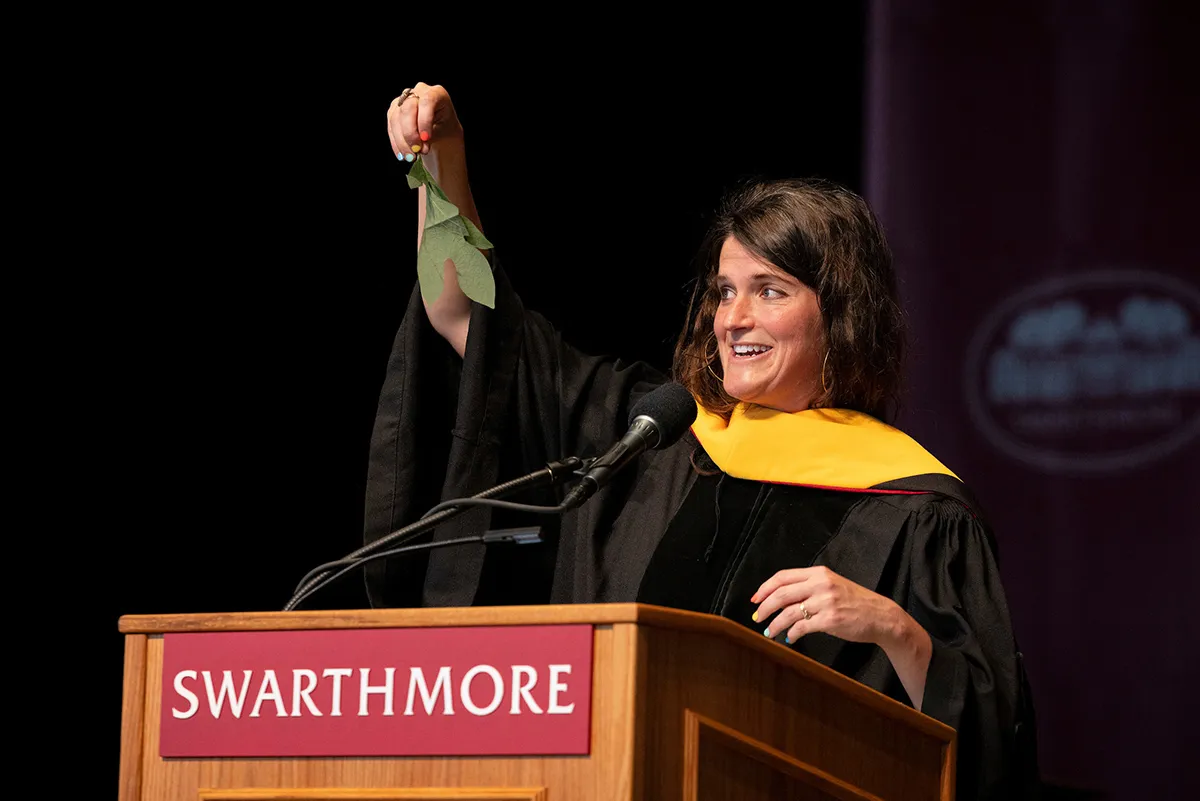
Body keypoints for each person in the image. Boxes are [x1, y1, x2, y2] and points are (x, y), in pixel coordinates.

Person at [366, 82, 1039, 800]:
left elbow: (994, 744)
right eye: (724, 290)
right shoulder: (649, 439)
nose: (734, 318)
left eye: (770, 290)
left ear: (841, 315)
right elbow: (470, 315)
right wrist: (441, 165)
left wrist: (896, 628)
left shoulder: (915, 509)